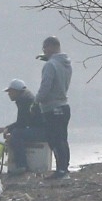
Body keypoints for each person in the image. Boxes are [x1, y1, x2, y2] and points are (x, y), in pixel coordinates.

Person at [0, 80, 50, 175]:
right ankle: (21, 165)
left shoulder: (24, 100)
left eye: (10, 92)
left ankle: (21, 166)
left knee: (16, 134)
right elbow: (23, 122)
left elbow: (21, 123)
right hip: (42, 130)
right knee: (17, 132)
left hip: (42, 131)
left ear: (16, 91)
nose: (9, 94)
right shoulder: (27, 98)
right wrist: (4, 129)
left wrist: (6, 130)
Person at [37, 37, 73, 178]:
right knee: (63, 139)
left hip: (52, 108)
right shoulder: (65, 63)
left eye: (45, 48)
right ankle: (64, 168)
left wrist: (36, 101)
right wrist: (48, 59)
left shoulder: (50, 65)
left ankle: (61, 171)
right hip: (64, 106)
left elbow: (46, 87)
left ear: (51, 47)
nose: (44, 51)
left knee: (55, 140)